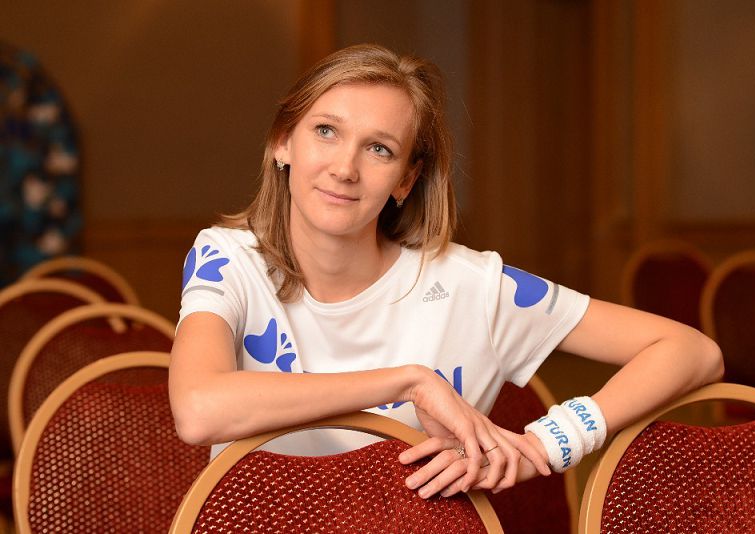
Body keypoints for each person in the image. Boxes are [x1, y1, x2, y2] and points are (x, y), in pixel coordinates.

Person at [169, 43, 723, 500]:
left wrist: (547, 444)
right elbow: (197, 410)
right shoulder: (228, 258)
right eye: (326, 132)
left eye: (379, 149)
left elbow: (692, 351)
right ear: (282, 142)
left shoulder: (472, 287)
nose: (344, 167)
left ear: (405, 181)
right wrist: (409, 382)